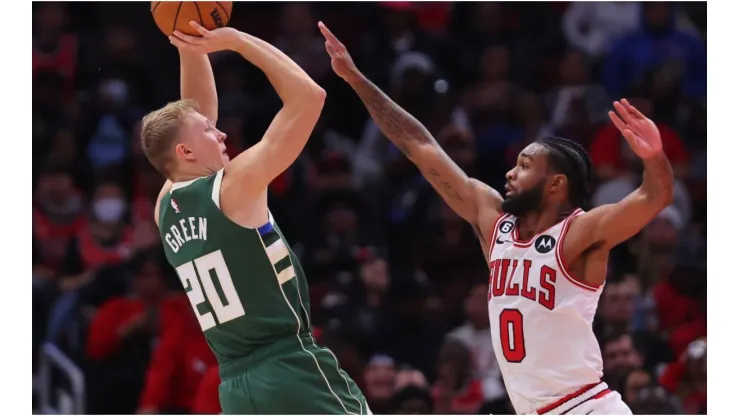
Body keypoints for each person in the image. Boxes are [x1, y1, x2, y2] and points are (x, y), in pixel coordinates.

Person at [320, 21, 674, 415]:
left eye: (524, 165)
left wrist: (654, 157)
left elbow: (653, 197)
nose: (510, 173)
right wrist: (356, 79)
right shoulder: (495, 224)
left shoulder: (579, 232)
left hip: (586, 407)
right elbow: (420, 146)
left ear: (556, 184)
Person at [140, 22, 368, 414]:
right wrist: (235, 40)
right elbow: (309, 96)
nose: (223, 134)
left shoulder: (164, 207)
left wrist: (188, 43)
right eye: (211, 132)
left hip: (236, 390)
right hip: (290, 368)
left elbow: (194, 111)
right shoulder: (235, 185)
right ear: (186, 152)